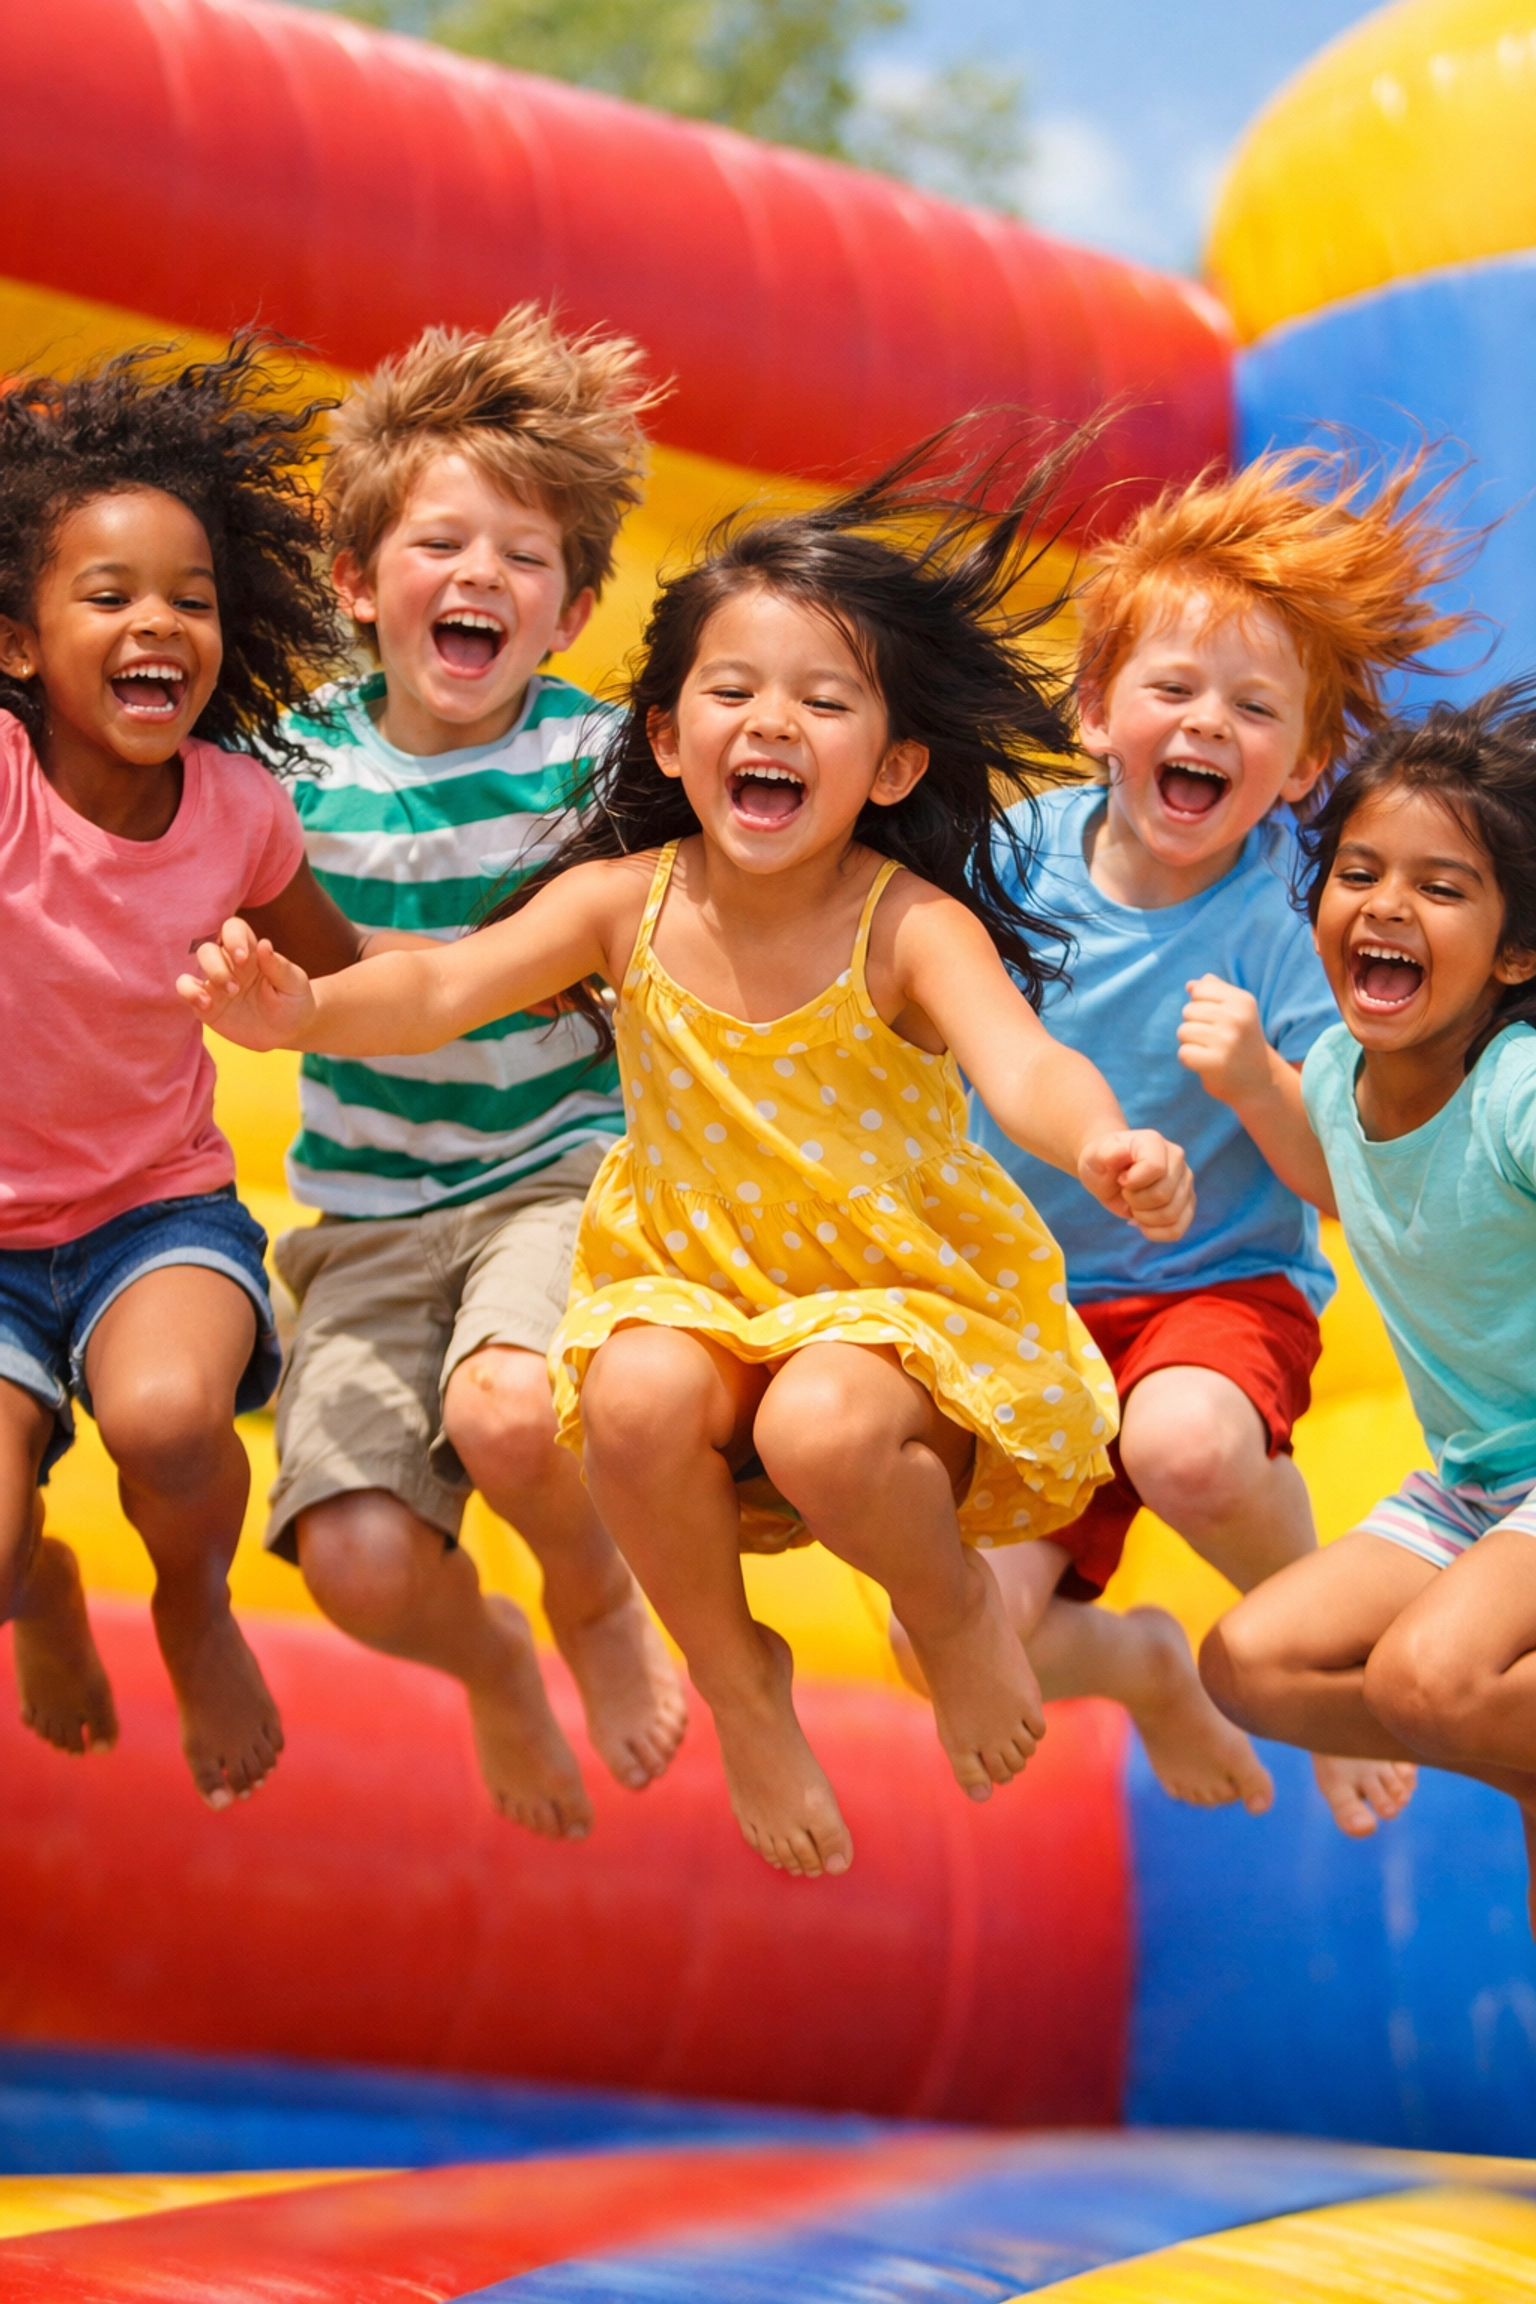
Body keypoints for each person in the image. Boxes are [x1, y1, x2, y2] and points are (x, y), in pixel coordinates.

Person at [180, 433, 1194, 1881]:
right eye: (732, 691)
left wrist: (1102, 1141)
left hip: (889, 1297)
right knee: (637, 1394)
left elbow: (1020, 1061)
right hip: (699, 1283)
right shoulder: (621, 901)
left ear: (895, 761)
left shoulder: (904, 922)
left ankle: (958, 1610)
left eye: (821, 700)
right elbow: (442, 988)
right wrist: (307, 1008)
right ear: (664, 735)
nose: (769, 722)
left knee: (824, 1433)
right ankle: (739, 1685)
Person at [964, 449, 1471, 1836]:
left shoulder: (1288, 930)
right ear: (1094, 713)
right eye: (1173, 691)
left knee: (1184, 1445)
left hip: (1212, 1290)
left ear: (1302, 763)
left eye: (1253, 710)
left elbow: (1339, 1178)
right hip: (1023, 1310)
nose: (1207, 725)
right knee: (956, 1648)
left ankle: (1312, 1651)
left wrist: (1257, 1078)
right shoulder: (1009, 865)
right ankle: (1136, 1667)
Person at [265, 308, 686, 1841]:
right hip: (368, 1216)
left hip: (561, 1177)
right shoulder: (283, 770)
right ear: (355, 582)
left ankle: (588, 1594)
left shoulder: (602, 768)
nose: (478, 579)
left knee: (511, 1413)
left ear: (570, 610)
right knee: (363, 1566)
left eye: (523, 558)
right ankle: (495, 1657)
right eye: (440, 542)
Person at [0, 336, 380, 1806]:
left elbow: (342, 979)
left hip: (155, 1215)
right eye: (110, 597)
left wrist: (308, 997)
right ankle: (41, 1590)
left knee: (167, 1417)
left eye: (192, 600)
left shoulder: (237, 814)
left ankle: (195, 1600)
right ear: (23, 644)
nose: (159, 623)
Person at [1193, 683, 1536, 1921]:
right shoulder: (1337, 1067)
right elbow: (1341, 1179)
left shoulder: (1517, 1090)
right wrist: (1248, 1084)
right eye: (1359, 873)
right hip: (1476, 1482)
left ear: (1517, 952)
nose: (1387, 904)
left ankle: (1492, 1725)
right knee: (1250, 1664)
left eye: (1442, 889)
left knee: (1426, 1679)